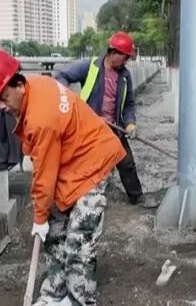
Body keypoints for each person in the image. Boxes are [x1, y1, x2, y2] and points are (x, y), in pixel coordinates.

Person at [0, 49, 125, 306]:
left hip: (93, 163)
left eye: (3, 97)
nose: (2, 107)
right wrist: (45, 219)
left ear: (18, 85)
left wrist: (39, 216)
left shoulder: (41, 117)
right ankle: (56, 293)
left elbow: (44, 175)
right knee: (55, 232)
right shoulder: (35, 85)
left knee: (79, 240)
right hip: (71, 163)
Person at [56, 32, 144, 205]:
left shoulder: (125, 76)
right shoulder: (90, 67)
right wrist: (69, 101)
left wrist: (130, 124)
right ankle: (75, 201)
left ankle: (136, 197)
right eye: (125, 57)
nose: (126, 62)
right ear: (114, 53)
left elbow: (129, 104)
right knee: (85, 166)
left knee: (126, 162)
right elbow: (62, 77)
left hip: (114, 126)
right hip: (90, 127)